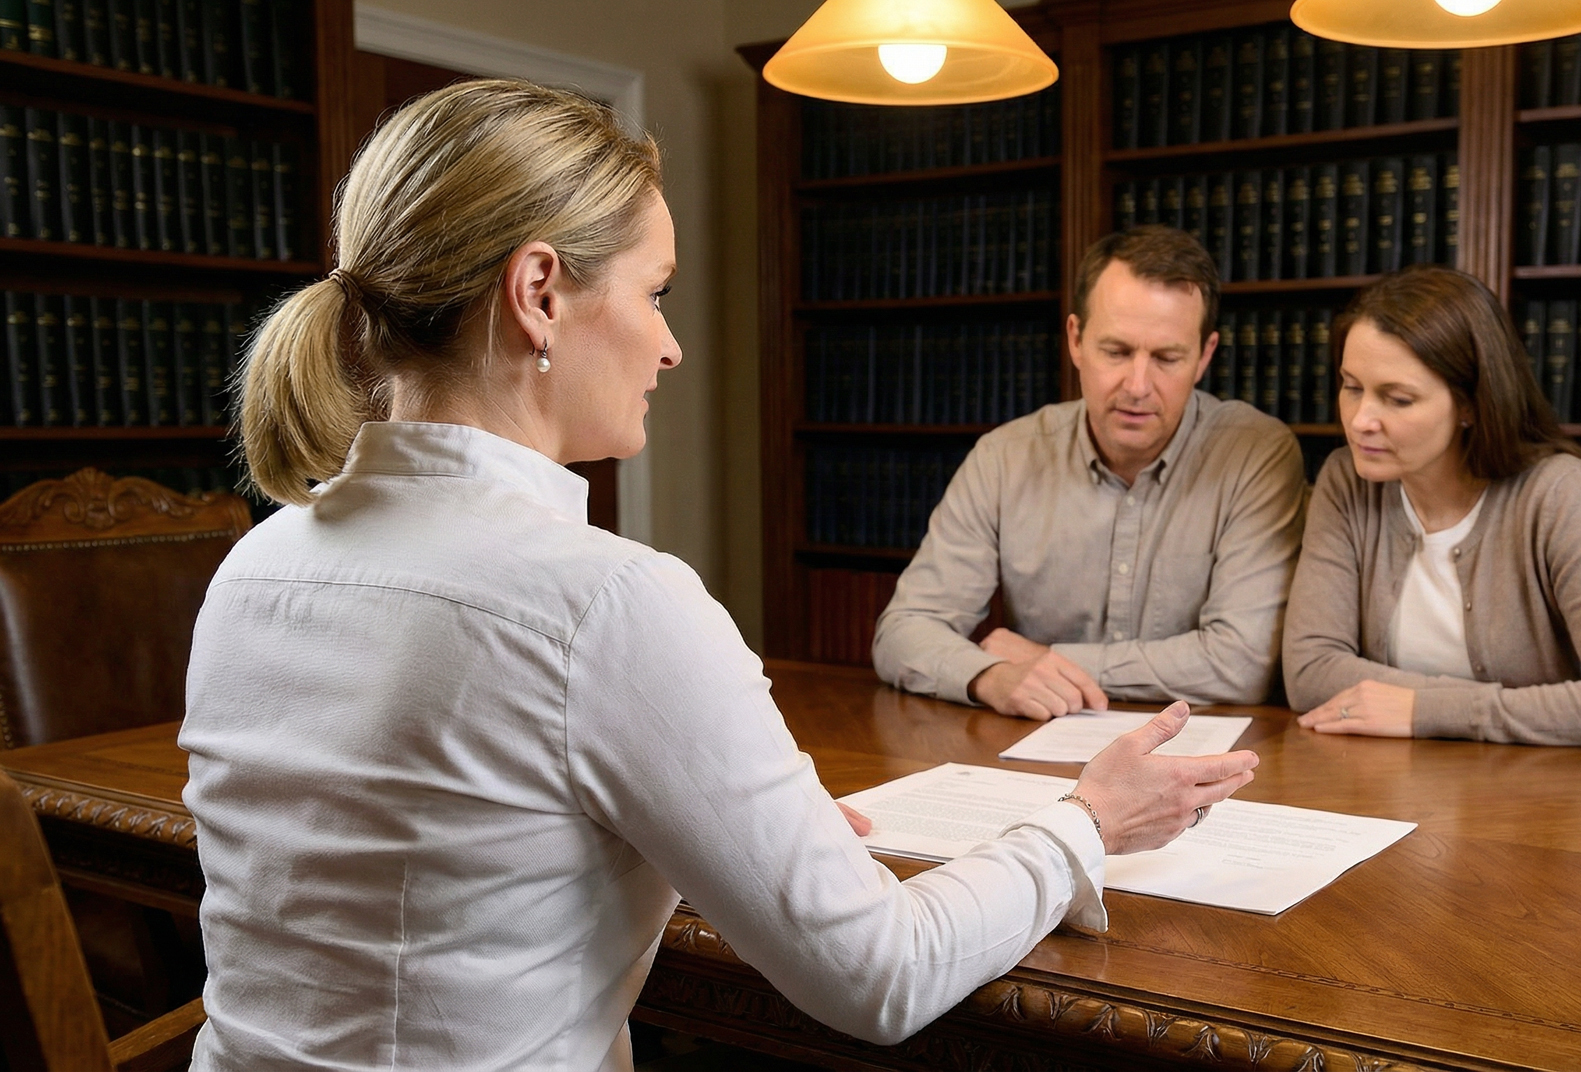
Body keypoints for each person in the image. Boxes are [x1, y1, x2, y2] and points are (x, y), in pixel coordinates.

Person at [178, 80, 1260, 1071]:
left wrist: (732, 823)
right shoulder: (608, 605)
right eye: (655, 292)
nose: (671, 347)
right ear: (540, 292)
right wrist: (1088, 823)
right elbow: (881, 974)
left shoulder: (251, 567)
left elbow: (456, 866)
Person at [872, 226, 1307, 720]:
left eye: (1167, 358)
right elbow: (904, 629)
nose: (1137, 386)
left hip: (1199, 747)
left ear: (1205, 356)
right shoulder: (1005, 457)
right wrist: (989, 676)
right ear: (1076, 340)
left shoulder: (1254, 455)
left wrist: (1049, 660)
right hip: (1037, 744)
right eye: (1116, 352)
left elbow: (1242, 663)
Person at [1282, 265, 1581, 747]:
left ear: (1470, 405)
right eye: (1351, 387)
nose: (1361, 420)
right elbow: (1310, 670)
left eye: (1398, 399)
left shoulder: (1560, 493)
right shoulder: (1347, 480)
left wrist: (1424, 711)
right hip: (1382, 778)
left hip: (1538, 785)